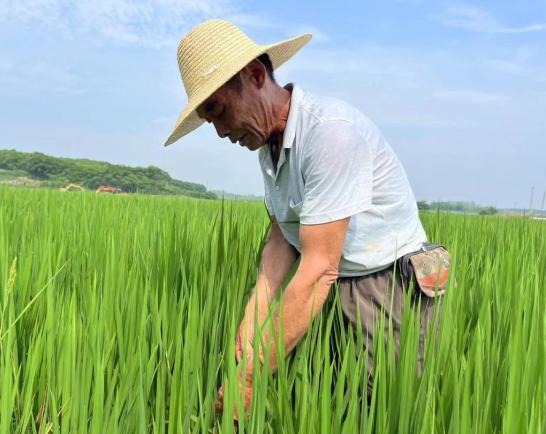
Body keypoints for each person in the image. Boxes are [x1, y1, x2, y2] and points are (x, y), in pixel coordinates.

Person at [164, 19, 446, 417]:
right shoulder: (268, 145)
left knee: (377, 409)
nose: (221, 132)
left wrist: (249, 379)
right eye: (210, 121)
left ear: (257, 75)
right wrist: (256, 311)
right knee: (329, 401)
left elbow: (317, 268)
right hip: (334, 281)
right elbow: (282, 232)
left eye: (219, 111)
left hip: (384, 286)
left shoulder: (331, 133)